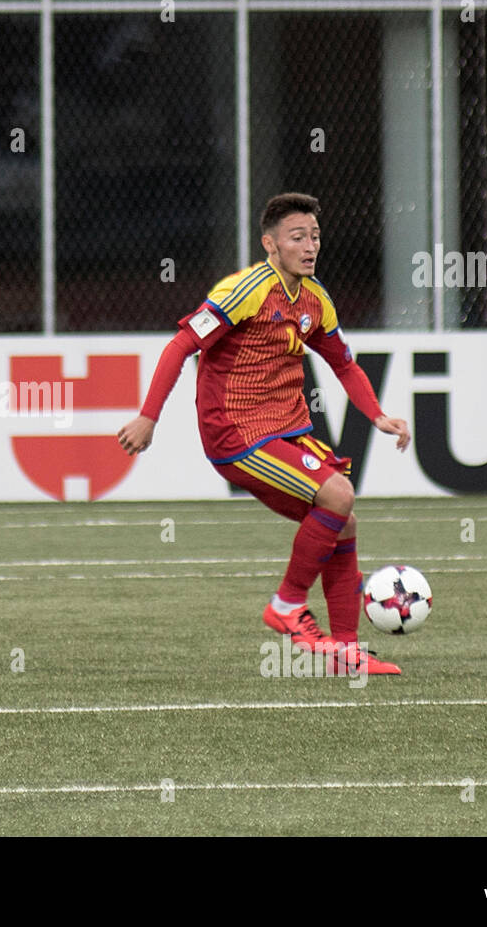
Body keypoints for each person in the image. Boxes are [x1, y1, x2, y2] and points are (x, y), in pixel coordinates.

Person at [118, 193, 412, 675]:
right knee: (338, 494)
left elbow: (343, 364)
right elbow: (181, 346)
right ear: (270, 245)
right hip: (235, 431)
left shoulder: (315, 300)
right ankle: (286, 604)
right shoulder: (246, 290)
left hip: (285, 431)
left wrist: (377, 415)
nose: (310, 245)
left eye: (315, 236)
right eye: (298, 237)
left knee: (345, 520)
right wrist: (148, 416)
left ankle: (345, 651)